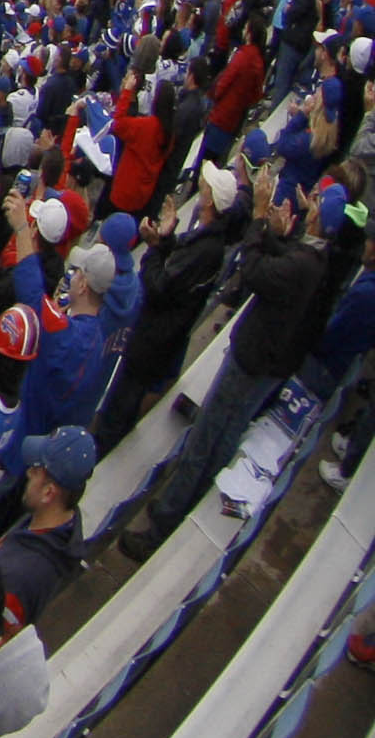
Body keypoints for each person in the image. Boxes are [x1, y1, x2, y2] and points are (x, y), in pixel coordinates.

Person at [122, 170, 331, 554]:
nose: (310, 206)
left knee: (207, 438)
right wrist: (273, 232)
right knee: (219, 433)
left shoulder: (305, 262)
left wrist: (260, 218)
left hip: (254, 359)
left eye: (317, 205)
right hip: (264, 358)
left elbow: (254, 270)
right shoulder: (315, 257)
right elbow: (279, 258)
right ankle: (182, 503)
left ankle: (164, 522)